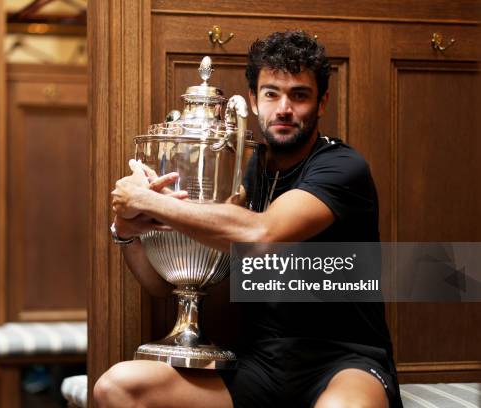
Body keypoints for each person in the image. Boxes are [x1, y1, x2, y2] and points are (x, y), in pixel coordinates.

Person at [96, 30, 403, 408]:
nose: (284, 108)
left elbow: (263, 233)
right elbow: (163, 288)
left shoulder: (342, 166)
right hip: (261, 364)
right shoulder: (243, 170)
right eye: (272, 93)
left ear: (322, 102)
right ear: (255, 101)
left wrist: (146, 201)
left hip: (345, 362)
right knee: (117, 387)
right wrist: (126, 229)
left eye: (299, 95)